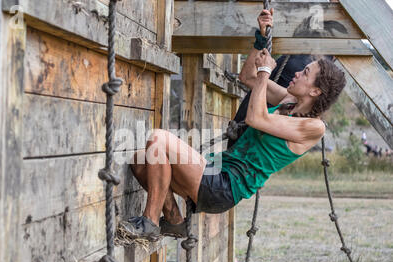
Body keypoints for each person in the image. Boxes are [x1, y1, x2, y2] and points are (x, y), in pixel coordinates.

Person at [120, 8, 347, 240]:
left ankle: (149, 222)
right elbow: (247, 77)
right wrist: (261, 39)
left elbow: (256, 118)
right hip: (217, 168)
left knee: (158, 139)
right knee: (141, 160)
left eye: (305, 73)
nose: (297, 73)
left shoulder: (313, 128)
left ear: (315, 90)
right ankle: (175, 221)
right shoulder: (288, 101)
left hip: (227, 186)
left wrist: (265, 73)